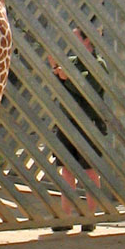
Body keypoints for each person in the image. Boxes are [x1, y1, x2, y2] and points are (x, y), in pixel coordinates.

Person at [48, 28, 105, 233]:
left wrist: (64, 75)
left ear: (88, 41)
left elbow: (85, 89)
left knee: (89, 171)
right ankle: (66, 215)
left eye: (77, 37)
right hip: (68, 122)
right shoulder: (71, 61)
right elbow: (61, 81)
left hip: (88, 123)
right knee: (66, 169)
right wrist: (57, 69)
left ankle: (89, 215)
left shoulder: (97, 64)